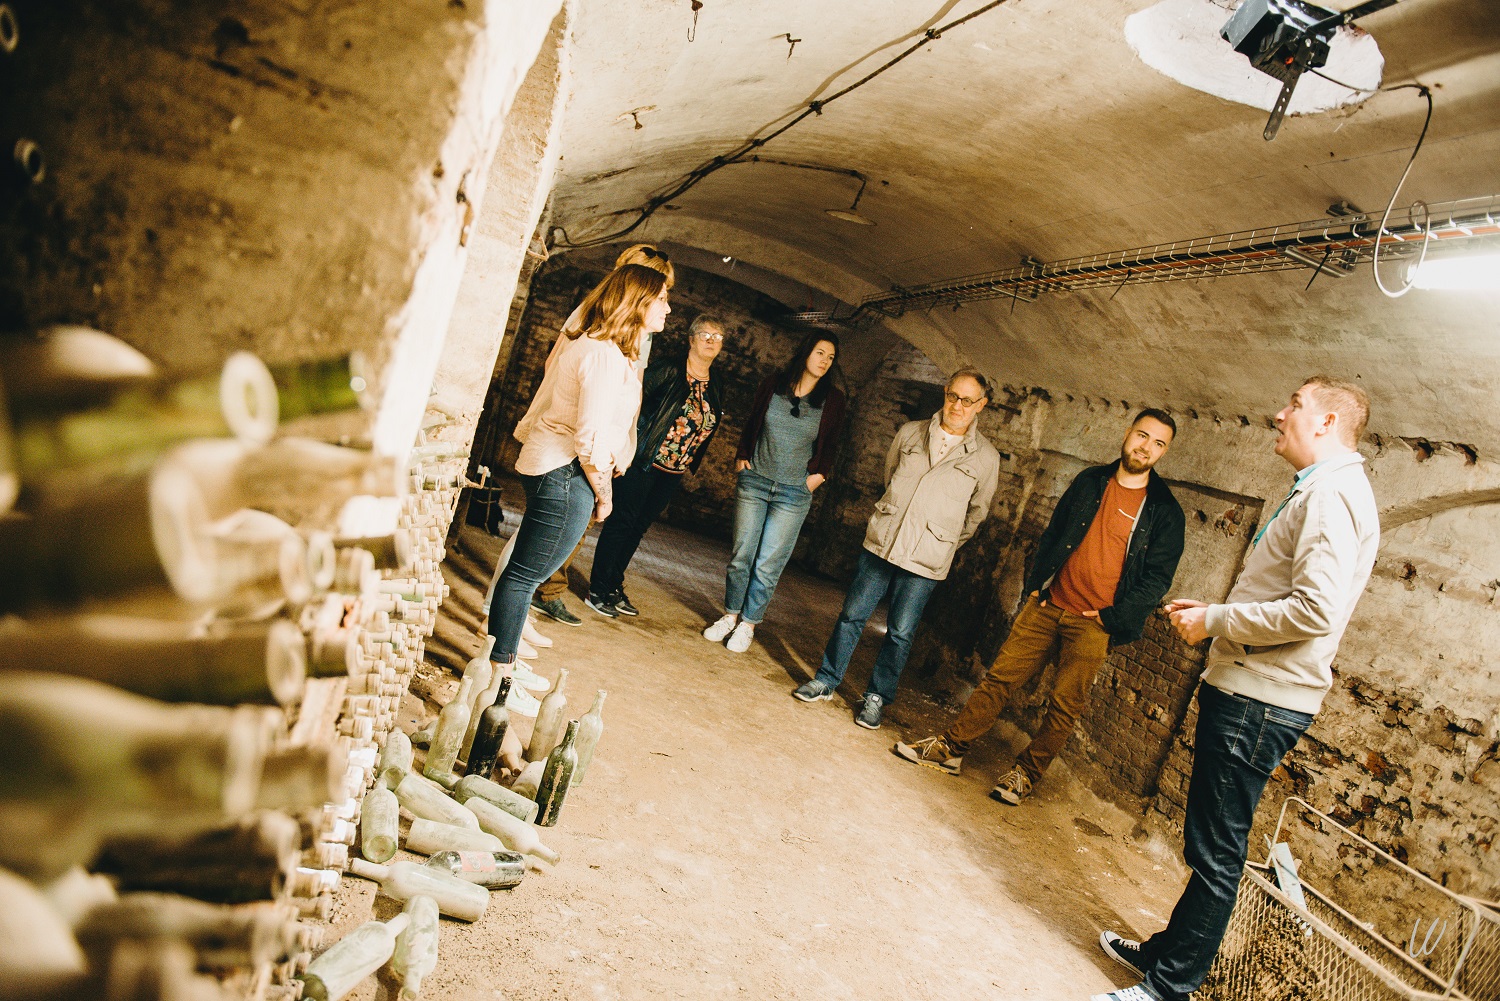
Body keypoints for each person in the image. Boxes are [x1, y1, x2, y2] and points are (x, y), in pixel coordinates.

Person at [1094, 378, 1378, 1001]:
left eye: (1296, 405)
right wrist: (1217, 613)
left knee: (1217, 853)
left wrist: (1216, 621)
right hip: (1255, 691)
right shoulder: (1323, 489)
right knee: (1209, 846)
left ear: (1327, 422)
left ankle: (1168, 989)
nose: (1279, 413)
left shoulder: (1332, 495)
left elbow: (1314, 610)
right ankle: (1166, 956)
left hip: (1260, 700)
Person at [894, 409, 1185, 805]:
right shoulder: (1090, 481)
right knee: (999, 680)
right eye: (1142, 435)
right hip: (1049, 603)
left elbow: (1157, 579)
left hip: (1094, 623)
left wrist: (1112, 618)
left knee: (1064, 706)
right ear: (1127, 433)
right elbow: (1054, 532)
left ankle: (1025, 774)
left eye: (1158, 443)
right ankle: (952, 749)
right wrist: (1036, 586)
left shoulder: (1164, 511)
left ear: (1164, 452)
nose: (1146, 447)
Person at [485, 264, 670, 678]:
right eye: (661, 299)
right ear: (636, 302)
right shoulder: (603, 356)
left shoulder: (604, 349)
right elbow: (590, 437)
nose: (668, 308)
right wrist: (604, 495)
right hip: (566, 471)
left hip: (559, 467)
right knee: (526, 576)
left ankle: (502, 661)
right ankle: (500, 673)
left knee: (525, 573)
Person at [793, 368, 1000, 730]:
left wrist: (942, 539)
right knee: (852, 615)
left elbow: (976, 514)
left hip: (926, 558)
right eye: (953, 396)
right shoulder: (911, 433)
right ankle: (826, 680)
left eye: (968, 400)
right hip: (883, 544)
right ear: (945, 393)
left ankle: (876, 697)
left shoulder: (986, 458)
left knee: (901, 632)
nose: (958, 405)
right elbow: (889, 478)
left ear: (980, 405)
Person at [702, 333, 846, 653]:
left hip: (793, 493)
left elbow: (832, 444)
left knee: (768, 563)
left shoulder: (833, 400)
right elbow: (753, 421)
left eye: (831, 357)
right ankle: (730, 616)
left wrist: (818, 477)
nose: (824, 361)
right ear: (805, 352)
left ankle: (748, 624)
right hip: (754, 481)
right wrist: (742, 456)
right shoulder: (774, 384)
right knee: (741, 556)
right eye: (820, 353)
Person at [586, 314, 728, 617]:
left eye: (717, 337)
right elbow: (633, 402)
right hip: (644, 462)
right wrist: (625, 444)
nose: (711, 341)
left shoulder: (716, 383)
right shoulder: (669, 369)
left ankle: (613, 584)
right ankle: (597, 588)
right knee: (622, 523)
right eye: (705, 334)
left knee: (638, 528)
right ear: (691, 339)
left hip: (673, 471)